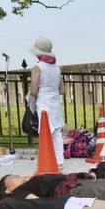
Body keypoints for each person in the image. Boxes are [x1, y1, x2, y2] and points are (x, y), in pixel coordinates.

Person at [0, 172, 105, 207]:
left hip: (75, 182)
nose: (17, 175)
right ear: (7, 189)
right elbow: (37, 204)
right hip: (68, 191)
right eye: (12, 177)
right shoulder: (18, 193)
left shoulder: (28, 183)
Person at [28, 36, 65, 168]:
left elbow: (33, 90)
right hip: (55, 101)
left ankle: (46, 159)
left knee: (44, 131)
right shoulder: (57, 68)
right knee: (57, 132)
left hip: (43, 102)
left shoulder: (37, 67)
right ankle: (59, 161)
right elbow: (63, 90)